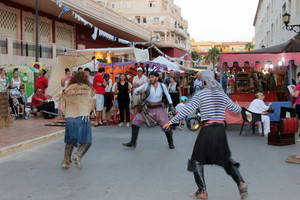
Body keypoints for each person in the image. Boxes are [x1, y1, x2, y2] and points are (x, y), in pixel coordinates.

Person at [163, 70, 247, 199]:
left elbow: (187, 109)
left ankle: (202, 190)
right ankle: (241, 182)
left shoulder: (201, 94)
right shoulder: (222, 94)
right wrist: (236, 105)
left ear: (204, 82)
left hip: (207, 129)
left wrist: (171, 121)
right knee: (225, 159)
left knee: (196, 160)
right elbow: (236, 110)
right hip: (220, 130)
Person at [122, 71, 175, 149]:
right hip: (147, 109)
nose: (151, 79)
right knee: (135, 121)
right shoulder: (146, 85)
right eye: (150, 77)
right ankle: (133, 142)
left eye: (152, 77)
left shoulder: (162, 86)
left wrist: (171, 105)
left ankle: (171, 143)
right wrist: (140, 91)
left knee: (166, 126)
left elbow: (167, 95)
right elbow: (135, 91)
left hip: (159, 109)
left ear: (157, 78)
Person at [60, 71, 94, 169]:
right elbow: (91, 104)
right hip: (83, 116)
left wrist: (64, 113)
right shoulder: (88, 89)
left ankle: (66, 162)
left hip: (70, 116)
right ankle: (77, 155)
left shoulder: (67, 89)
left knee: (70, 140)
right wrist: (90, 112)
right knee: (87, 141)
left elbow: (62, 104)